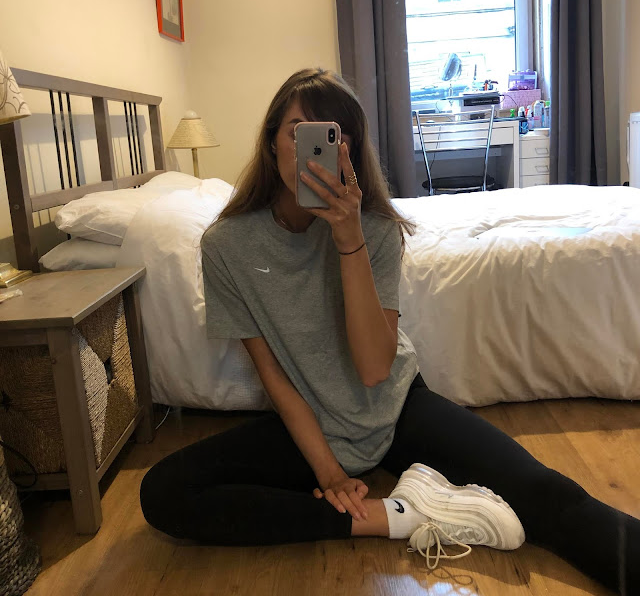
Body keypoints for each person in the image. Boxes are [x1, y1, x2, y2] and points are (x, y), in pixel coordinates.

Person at [140, 68, 639, 594]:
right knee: (165, 492)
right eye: (298, 132)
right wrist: (329, 473)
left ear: (350, 151)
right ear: (270, 144)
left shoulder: (374, 229)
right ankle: (395, 517)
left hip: (396, 408)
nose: (313, 151)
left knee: (544, 492)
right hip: (309, 423)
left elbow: (376, 369)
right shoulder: (226, 246)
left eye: (332, 136)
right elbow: (273, 375)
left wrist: (348, 238)